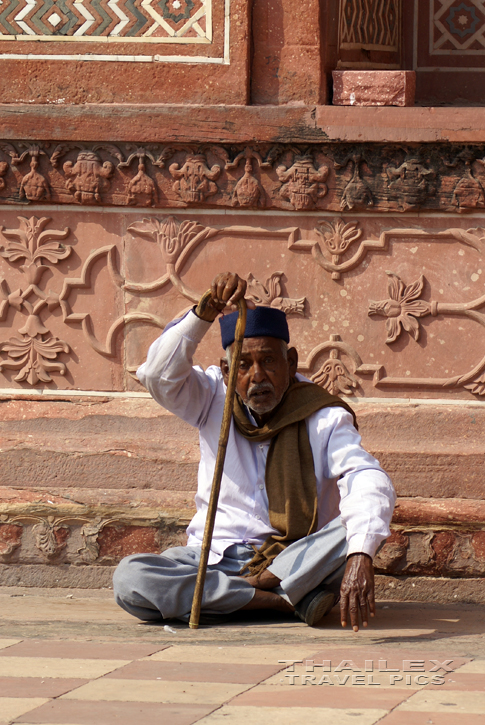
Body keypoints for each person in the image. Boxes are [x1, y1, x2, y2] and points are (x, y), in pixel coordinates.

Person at [113, 272, 396, 631]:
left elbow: (366, 477)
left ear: (291, 363)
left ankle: (237, 595)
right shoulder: (211, 396)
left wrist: (359, 555)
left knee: (359, 525)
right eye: (244, 366)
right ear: (227, 370)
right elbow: (156, 374)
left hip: (294, 559)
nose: (258, 376)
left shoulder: (323, 416)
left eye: (269, 361)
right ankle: (281, 603)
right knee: (131, 579)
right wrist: (205, 312)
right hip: (213, 559)